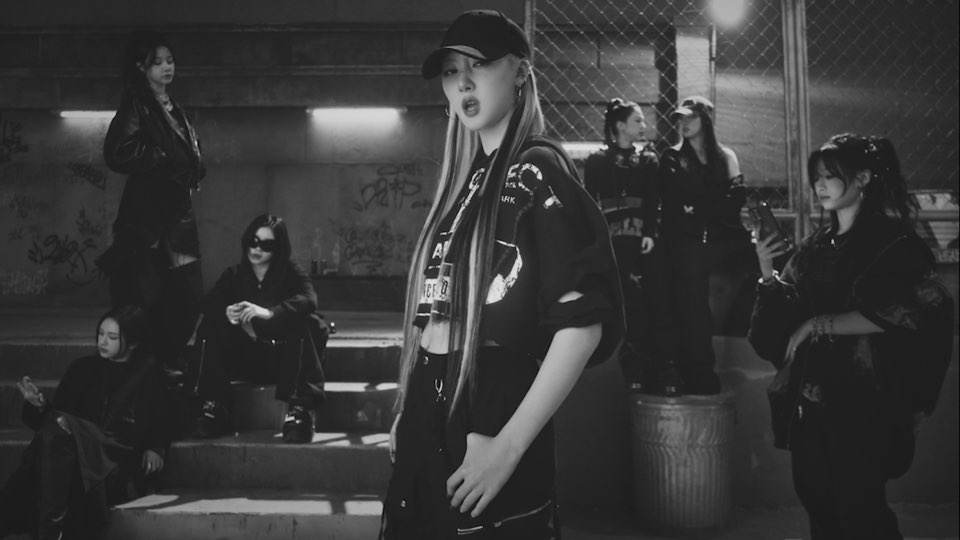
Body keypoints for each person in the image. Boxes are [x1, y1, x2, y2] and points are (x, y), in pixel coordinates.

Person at [379, 10, 624, 540]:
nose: (462, 82)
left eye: (480, 64)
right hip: (428, 411)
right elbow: (437, 309)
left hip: (487, 412)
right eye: (451, 71)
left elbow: (582, 325)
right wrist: (412, 407)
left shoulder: (537, 169)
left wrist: (509, 446)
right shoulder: (466, 183)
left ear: (520, 72)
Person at [748, 134, 954, 540]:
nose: (820, 185)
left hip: (865, 397)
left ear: (862, 178)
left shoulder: (894, 243)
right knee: (816, 496)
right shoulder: (814, 247)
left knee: (859, 509)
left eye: (831, 176)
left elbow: (908, 312)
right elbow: (781, 324)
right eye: (816, 177)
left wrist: (818, 324)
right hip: (812, 396)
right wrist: (767, 270)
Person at [0, 305, 173, 540]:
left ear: (133, 343)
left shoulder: (147, 372)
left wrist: (156, 447)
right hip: (74, 455)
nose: (103, 341)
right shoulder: (83, 368)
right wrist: (39, 405)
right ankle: (50, 532)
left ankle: (49, 532)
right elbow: (54, 425)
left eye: (112, 337)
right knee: (57, 433)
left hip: (112, 458)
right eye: (100, 334)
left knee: (53, 445)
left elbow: (164, 417)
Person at [99, 30, 205, 373]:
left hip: (177, 214)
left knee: (189, 295)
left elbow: (187, 153)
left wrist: (194, 168)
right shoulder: (138, 104)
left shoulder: (175, 108)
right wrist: (162, 158)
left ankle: (164, 356)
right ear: (142, 68)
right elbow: (118, 151)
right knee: (145, 295)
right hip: (148, 216)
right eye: (157, 62)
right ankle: (148, 362)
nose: (166, 67)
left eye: (170, 61)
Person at [190, 214, 328, 443]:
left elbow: (309, 299)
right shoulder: (234, 274)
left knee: (309, 321)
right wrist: (227, 311)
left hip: (283, 361)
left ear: (278, 248)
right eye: (253, 242)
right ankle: (214, 404)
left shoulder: (291, 273)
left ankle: (300, 409)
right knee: (211, 321)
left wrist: (270, 313)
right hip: (244, 357)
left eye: (266, 245)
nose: (257, 249)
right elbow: (209, 302)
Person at [658, 95, 754, 395]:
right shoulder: (672, 157)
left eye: (691, 117)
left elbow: (736, 199)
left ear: (707, 120)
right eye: (681, 118)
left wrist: (699, 206)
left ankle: (706, 371)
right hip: (688, 244)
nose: (683, 123)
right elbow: (676, 203)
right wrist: (714, 203)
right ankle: (697, 373)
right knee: (691, 302)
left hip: (721, 242)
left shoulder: (725, 156)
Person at [583, 98, 666, 392]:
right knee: (623, 305)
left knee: (645, 304)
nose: (644, 125)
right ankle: (632, 368)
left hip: (640, 244)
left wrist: (649, 231)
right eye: (637, 120)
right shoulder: (597, 161)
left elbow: (653, 200)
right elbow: (590, 201)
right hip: (611, 246)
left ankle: (646, 368)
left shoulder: (648, 160)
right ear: (620, 126)